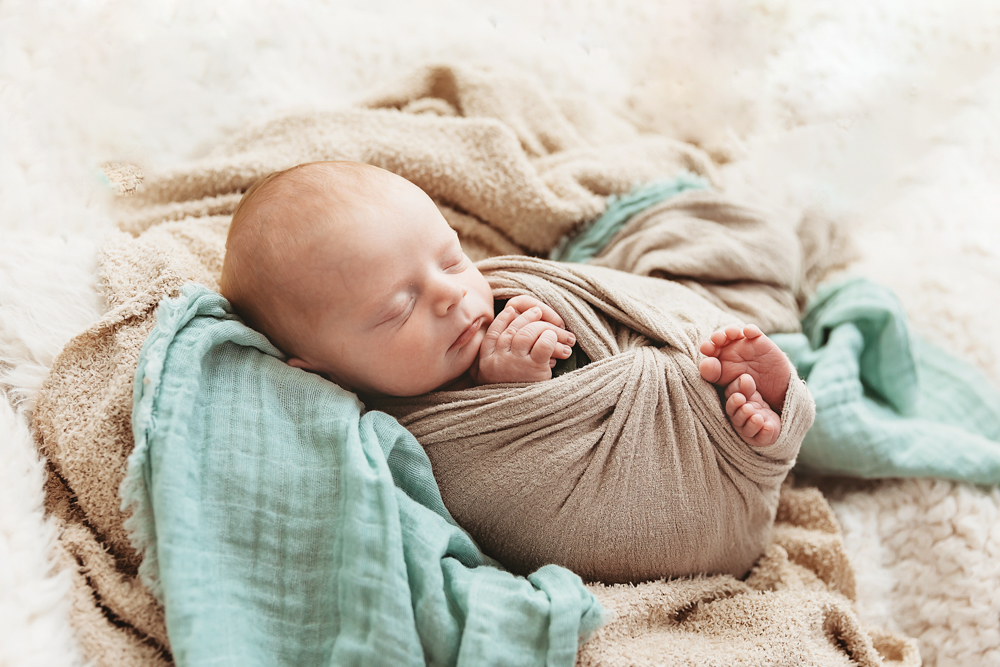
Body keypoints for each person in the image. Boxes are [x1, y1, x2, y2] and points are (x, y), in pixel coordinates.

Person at [220, 160, 793, 448]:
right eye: (398, 308)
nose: (451, 294)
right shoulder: (375, 429)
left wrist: (544, 351)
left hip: (658, 373)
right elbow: (503, 473)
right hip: (625, 455)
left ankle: (755, 393)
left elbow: (595, 342)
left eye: (450, 260)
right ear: (319, 371)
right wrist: (506, 389)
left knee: (714, 315)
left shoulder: (507, 306)